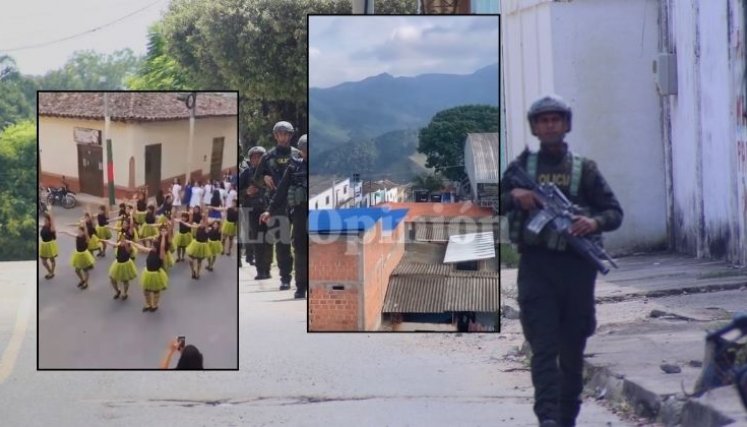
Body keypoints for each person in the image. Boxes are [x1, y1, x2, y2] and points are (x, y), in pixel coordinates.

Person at [499, 95, 624, 427]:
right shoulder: (522, 169)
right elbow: (492, 202)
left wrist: (593, 223)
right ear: (535, 128)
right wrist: (515, 197)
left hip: (576, 269)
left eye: (556, 119)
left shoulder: (585, 169)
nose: (550, 125)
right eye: (543, 120)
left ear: (566, 124)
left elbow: (614, 212)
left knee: (572, 351)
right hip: (536, 267)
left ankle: (566, 417)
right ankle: (549, 419)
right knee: (543, 347)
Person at [253, 121, 301, 289]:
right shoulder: (268, 157)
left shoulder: (298, 154)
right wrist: (264, 178)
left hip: (296, 203)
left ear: (290, 136)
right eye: (279, 134)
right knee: (282, 243)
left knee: (300, 242)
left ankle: (302, 278)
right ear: (275, 136)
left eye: (286, 134)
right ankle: (285, 278)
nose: (282, 137)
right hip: (277, 205)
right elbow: (256, 179)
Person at [261, 134, 308, 298]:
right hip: (299, 212)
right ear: (300, 151)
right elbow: (281, 189)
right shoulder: (294, 167)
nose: (306, 152)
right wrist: (270, 209)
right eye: (304, 150)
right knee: (299, 249)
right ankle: (300, 286)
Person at [241, 145, 271, 277]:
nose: (256, 160)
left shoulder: (271, 172)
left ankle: (267, 268)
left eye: (259, 157)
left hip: (269, 209)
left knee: (269, 240)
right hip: (253, 211)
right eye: (254, 157)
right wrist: (246, 192)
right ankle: (260, 270)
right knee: (258, 240)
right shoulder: (246, 173)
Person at [58, 223, 96, 289]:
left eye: (80, 231)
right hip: (78, 255)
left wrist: (85, 227)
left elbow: (87, 236)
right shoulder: (77, 236)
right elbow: (69, 233)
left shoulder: (85, 238)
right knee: (77, 270)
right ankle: (82, 280)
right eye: (78, 231)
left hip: (84, 256)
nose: (78, 232)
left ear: (83, 232)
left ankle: (86, 283)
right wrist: (64, 231)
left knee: (85, 270)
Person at [102, 234, 138, 300]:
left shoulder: (129, 246)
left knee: (125, 280)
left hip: (126, 265)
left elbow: (128, 251)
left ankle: (125, 293)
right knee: (112, 279)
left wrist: (127, 243)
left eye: (123, 239)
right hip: (118, 264)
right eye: (121, 238)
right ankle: (117, 291)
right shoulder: (119, 244)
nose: (122, 240)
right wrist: (104, 240)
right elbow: (113, 243)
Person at [39, 212, 58, 279]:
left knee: (51, 260)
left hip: (49, 245)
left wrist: (50, 211)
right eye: (44, 220)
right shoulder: (44, 226)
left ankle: (51, 272)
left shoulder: (51, 228)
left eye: (46, 220)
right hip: (44, 245)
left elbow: (52, 221)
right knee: (43, 261)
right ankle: (50, 272)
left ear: (49, 221)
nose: (44, 221)